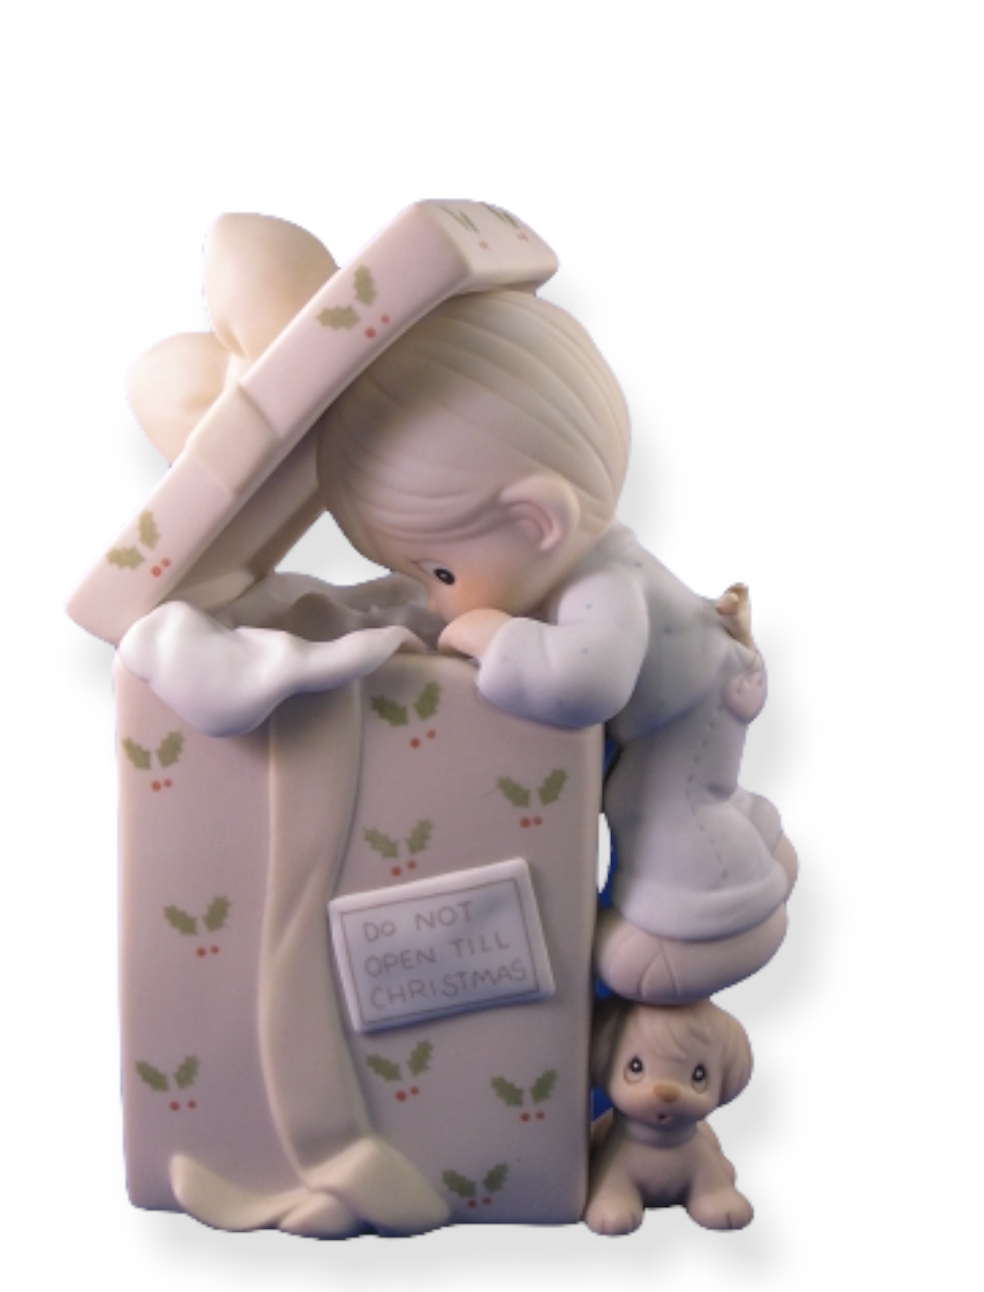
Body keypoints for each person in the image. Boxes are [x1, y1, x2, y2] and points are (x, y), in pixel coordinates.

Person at [317, 288, 795, 1002]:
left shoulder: (603, 588)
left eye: (440, 573)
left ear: (535, 522)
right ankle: (750, 837)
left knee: (648, 877)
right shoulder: (586, 563)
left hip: (681, 730)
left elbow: (585, 681)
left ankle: (732, 909)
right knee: (678, 793)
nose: (437, 599)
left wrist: (497, 637)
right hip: (700, 693)